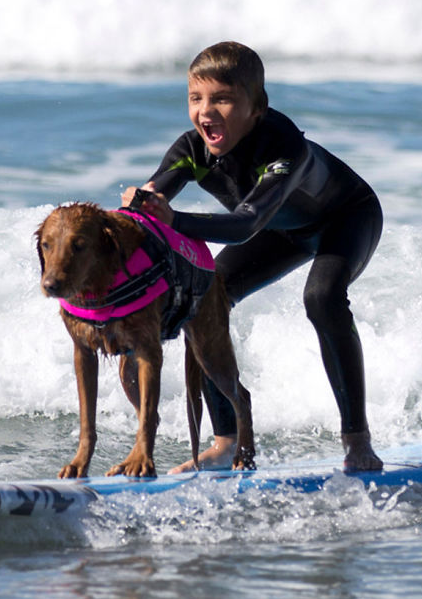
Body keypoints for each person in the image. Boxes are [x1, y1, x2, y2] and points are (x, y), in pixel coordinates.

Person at [121, 41, 383, 472]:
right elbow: (152, 202)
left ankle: (357, 440)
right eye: (196, 98)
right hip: (282, 232)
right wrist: (139, 206)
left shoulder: (284, 147)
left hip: (345, 217)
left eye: (222, 99)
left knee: (322, 298)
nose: (206, 111)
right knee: (206, 297)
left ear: (256, 108)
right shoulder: (191, 151)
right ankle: (226, 442)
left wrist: (174, 219)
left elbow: (247, 223)